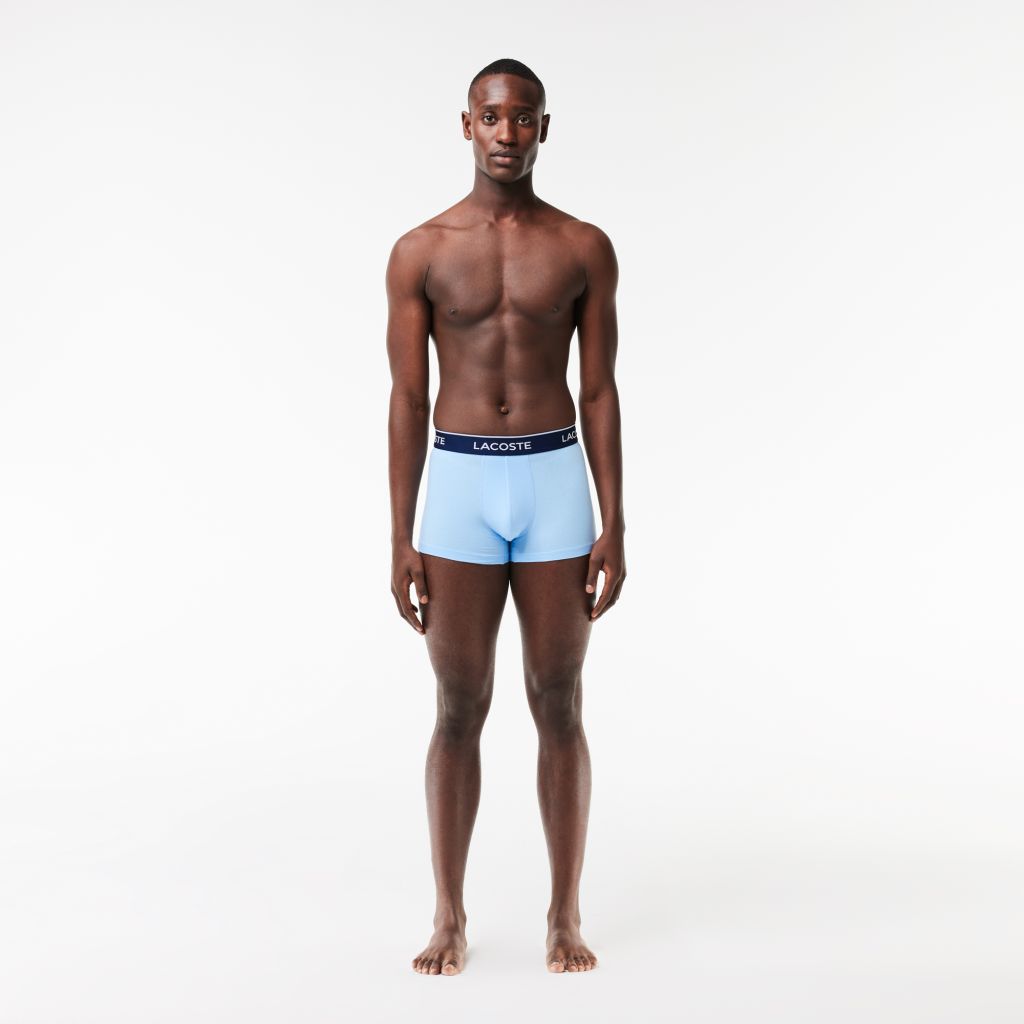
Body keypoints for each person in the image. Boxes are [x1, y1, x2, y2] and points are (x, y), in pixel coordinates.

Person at [386, 57, 626, 976]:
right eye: (491, 117)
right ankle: (448, 915)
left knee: (559, 700)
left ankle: (565, 914)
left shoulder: (582, 247)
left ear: (543, 129)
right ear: (466, 125)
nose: (507, 133)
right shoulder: (421, 250)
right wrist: (400, 536)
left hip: (554, 479)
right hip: (458, 487)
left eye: (523, 118)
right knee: (458, 706)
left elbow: (598, 391)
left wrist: (614, 520)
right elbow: (408, 399)